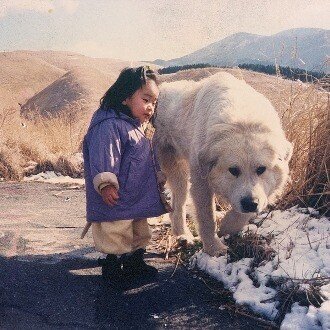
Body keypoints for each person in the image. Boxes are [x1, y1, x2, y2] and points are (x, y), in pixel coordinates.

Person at [82, 66, 169, 288]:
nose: (151, 107)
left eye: (154, 102)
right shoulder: (110, 126)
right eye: (146, 99)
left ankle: (134, 261)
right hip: (116, 195)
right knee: (115, 229)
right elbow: (104, 156)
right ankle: (112, 264)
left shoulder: (134, 127)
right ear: (125, 98)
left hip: (136, 196)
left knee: (139, 229)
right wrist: (105, 184)